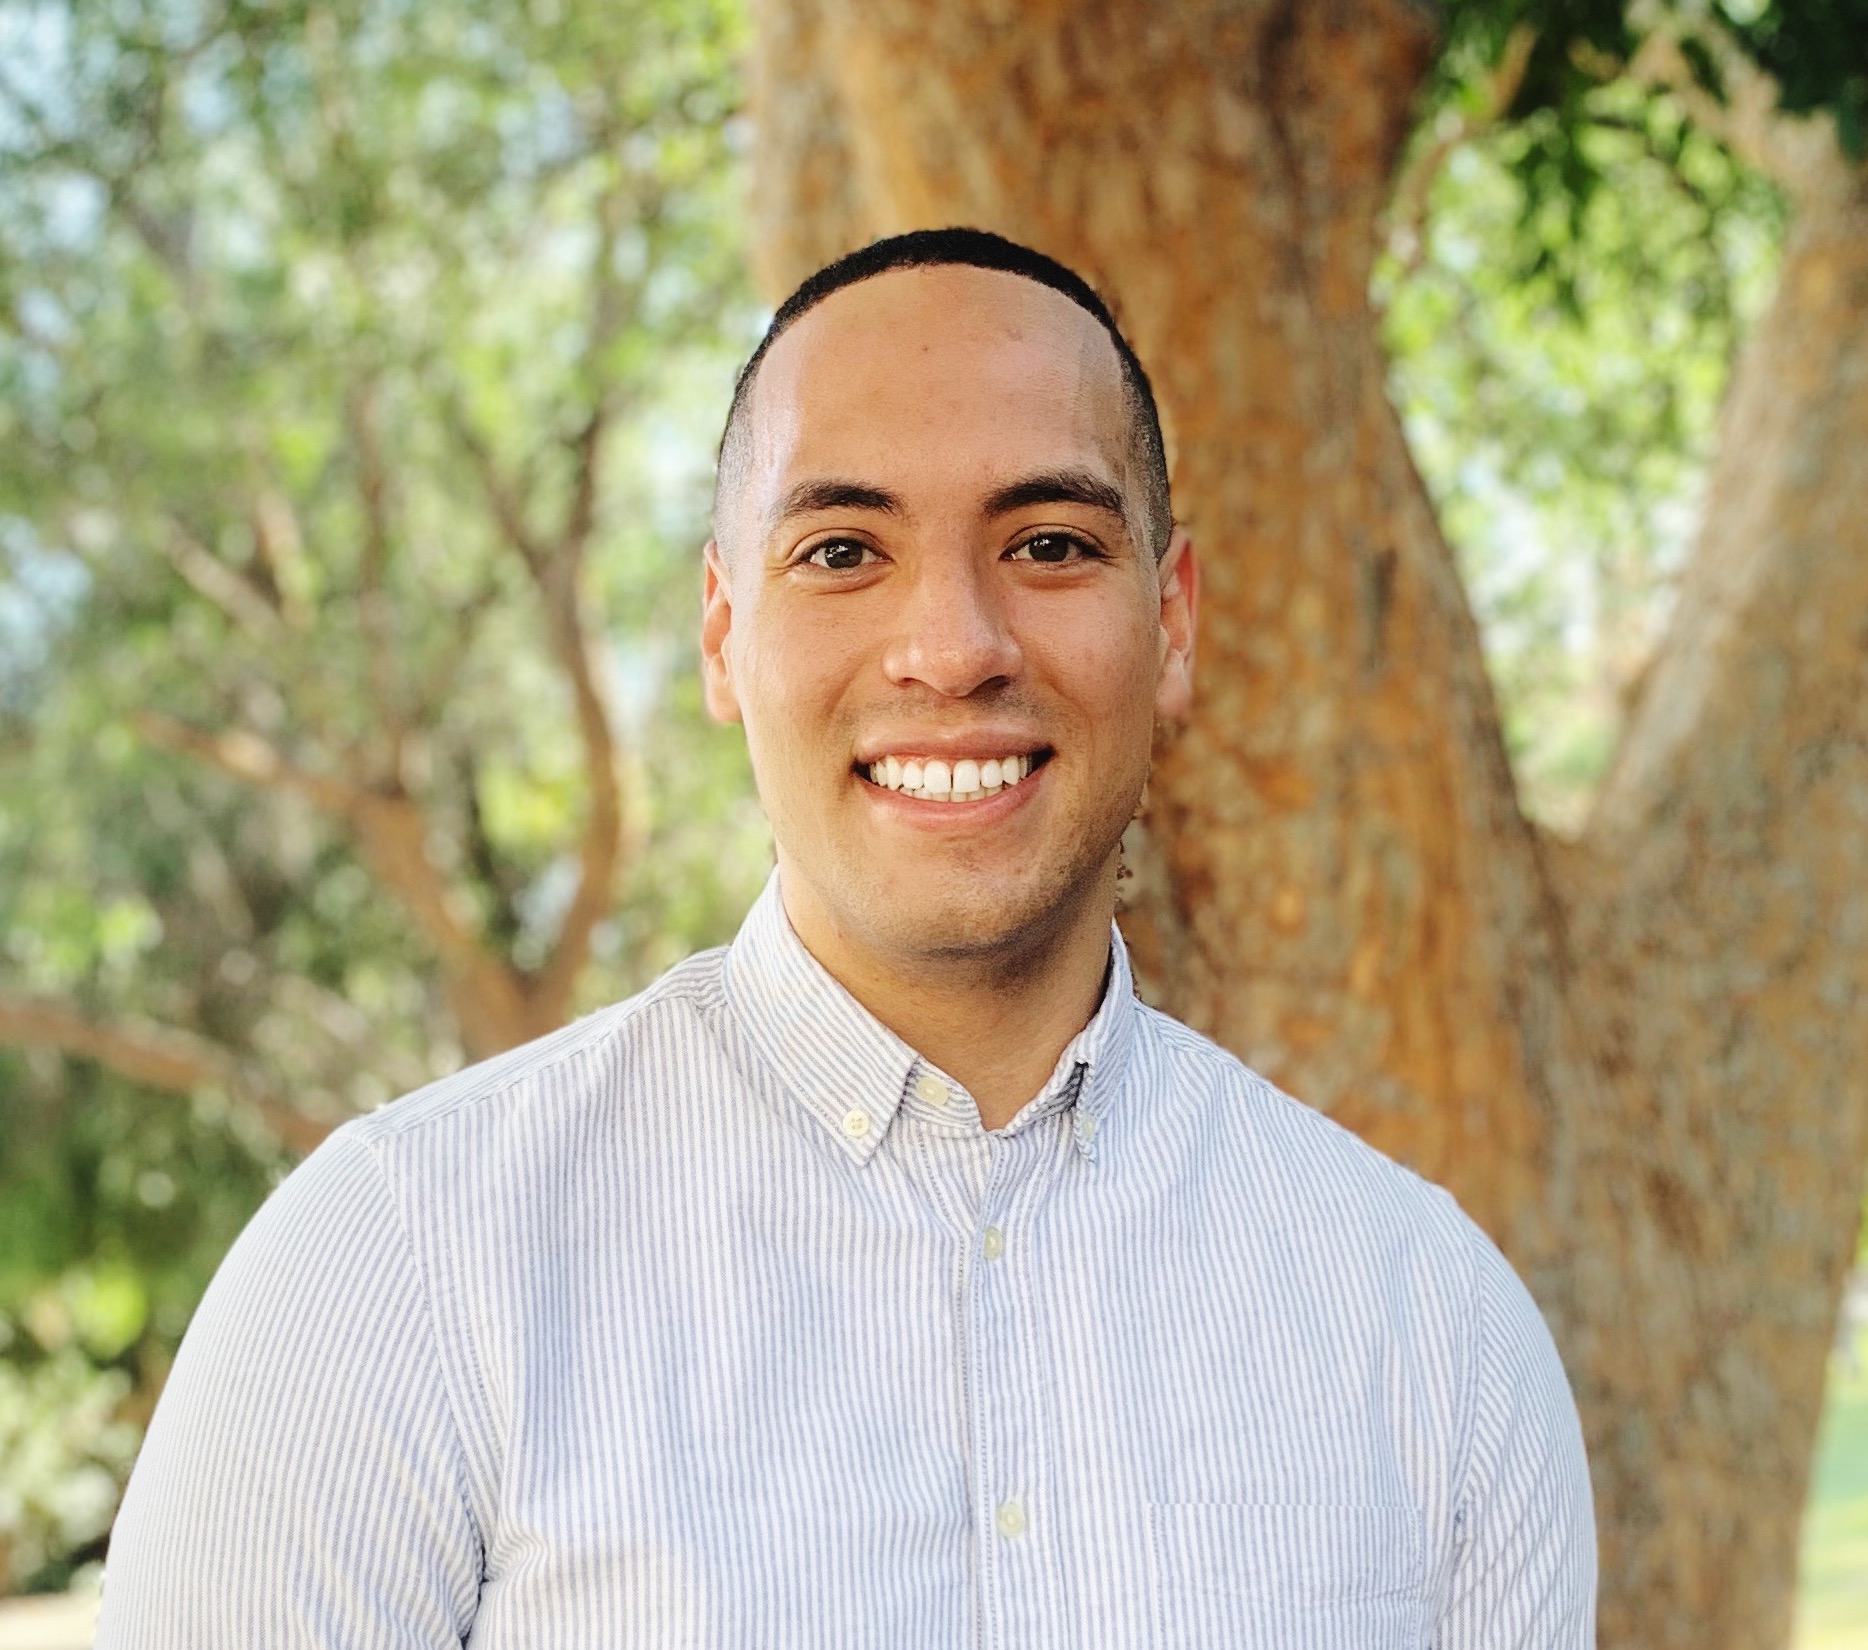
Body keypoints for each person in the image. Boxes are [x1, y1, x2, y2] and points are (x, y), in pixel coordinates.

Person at [96, 227, 1595, 1647]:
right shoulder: (398, 1270)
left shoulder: (1431, 1327)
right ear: (721, 634)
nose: (953, 646)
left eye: (1052, 541)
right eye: (841, 550)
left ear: (1177, 621)